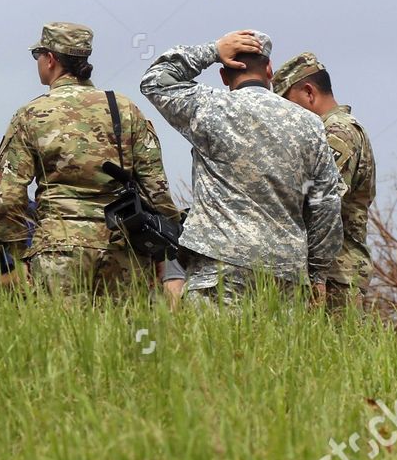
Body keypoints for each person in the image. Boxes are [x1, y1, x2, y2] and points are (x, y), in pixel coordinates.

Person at [141, 31, 342, 303]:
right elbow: (326, 203)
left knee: (216, 346)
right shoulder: (310, 125)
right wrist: (317, 274)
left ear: (224, 76)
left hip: (218, 267)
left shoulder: (209, 107)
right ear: (269, 70)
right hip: (286, 273)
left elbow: (155, 80)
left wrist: (212, 50)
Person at [0, 22, 179, 296]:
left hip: (59, 250)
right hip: (122, 247)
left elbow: (9, 196)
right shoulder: (125, 109)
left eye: (38, 56)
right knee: (124, 336)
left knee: (62, 336)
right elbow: (157, 189)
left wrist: (19, 255)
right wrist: (161, 250)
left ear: (51, 59)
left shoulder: (31, 114)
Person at [273, 52, 376, 310]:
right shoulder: (337, 129)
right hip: (331, 270)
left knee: (335, 347)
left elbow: (320, 202)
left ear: (309, 93)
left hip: (333, 274)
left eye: (288, 104)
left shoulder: (335, 132)